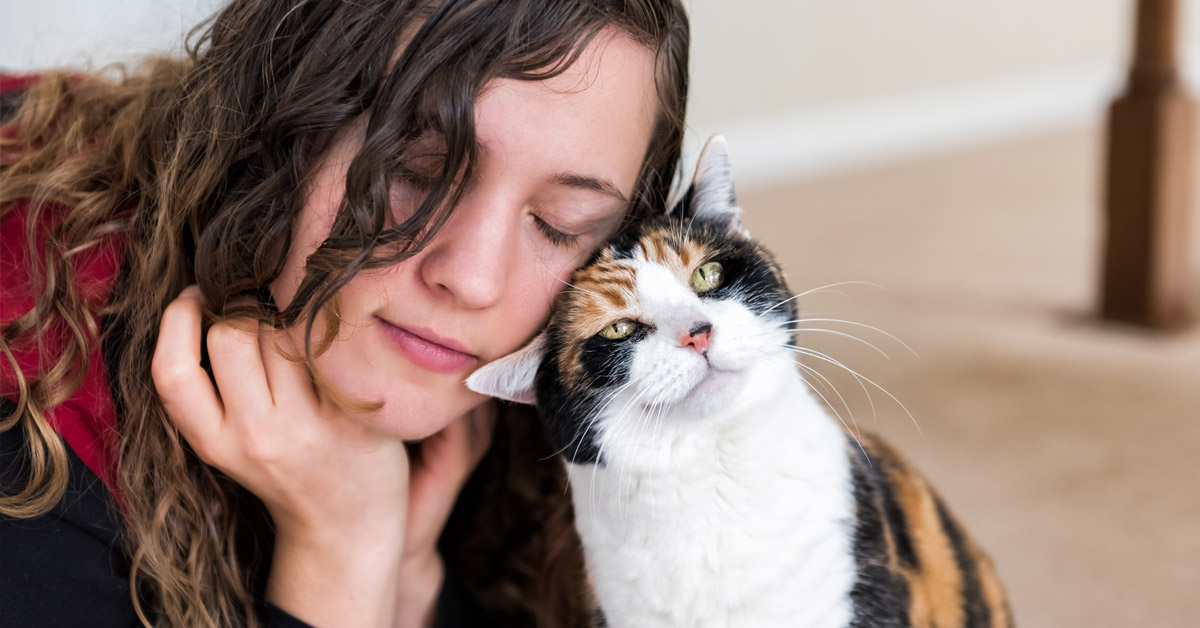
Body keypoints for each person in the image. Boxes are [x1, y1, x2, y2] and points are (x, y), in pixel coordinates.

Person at [0, 1, 690, 626]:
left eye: (562, 225)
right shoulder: (27, 438)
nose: (475, 280)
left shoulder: (529, 393)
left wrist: (412, 580)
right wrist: (343, 551)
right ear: (277, 123)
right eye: (418, 170)